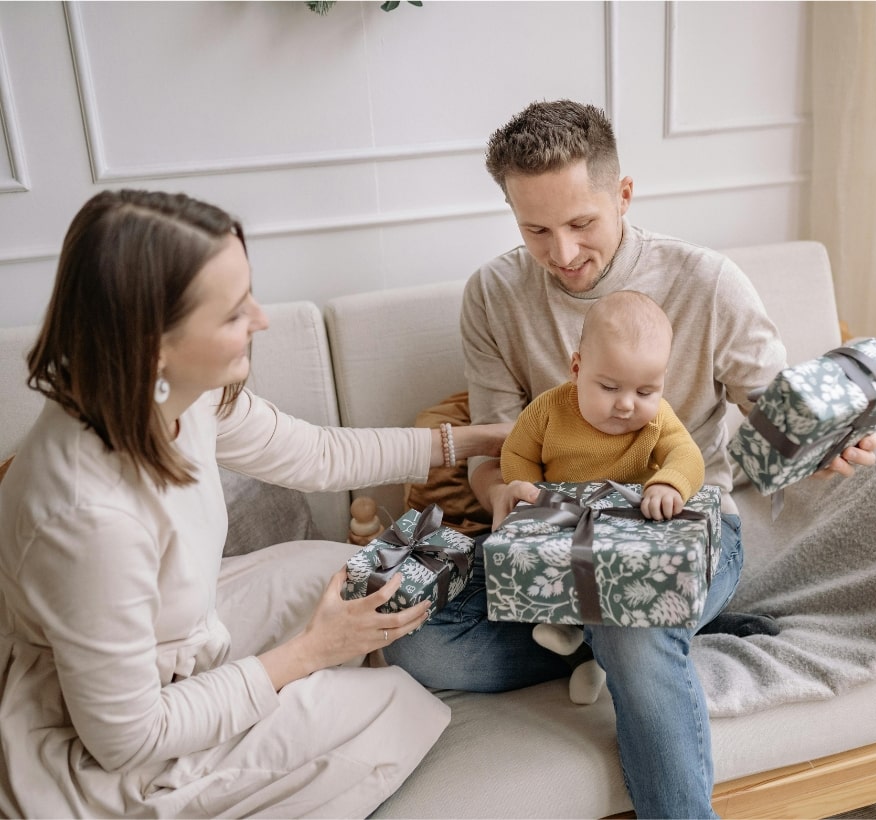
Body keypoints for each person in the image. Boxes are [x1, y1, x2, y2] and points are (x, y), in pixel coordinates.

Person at [384, 99, 876, 818]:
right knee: (417, 644)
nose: (561, 254)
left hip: (684, 530)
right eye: (535, 230)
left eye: (581, 223)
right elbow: (496, 446)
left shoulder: (706, 282)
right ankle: (649, 637)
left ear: (622, 195)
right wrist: (500, 494)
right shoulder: (494, 294)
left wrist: (822, 442)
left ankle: (635, 643)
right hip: (552, 542)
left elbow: (775, 413)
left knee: (627, 611)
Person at [0, 189, 510, 818]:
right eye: (234, 311)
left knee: (345, 571)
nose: (261, 319)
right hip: (102, 743)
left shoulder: (178, 396)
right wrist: (308, 655)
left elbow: (318, 454)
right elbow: (126, 739)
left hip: (179, 638)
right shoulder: (88, 516)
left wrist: (478, 440)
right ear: (154, 343)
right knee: (394, 703)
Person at [500, 289, 705, 705]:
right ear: (577, 368)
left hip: (630, 532)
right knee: (543, 573)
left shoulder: (658, 419)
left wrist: (668, 483)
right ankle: (576, 647)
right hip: (564, 523)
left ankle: (586, 649)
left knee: (626, 589)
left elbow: (687, 453)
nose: (627, 405)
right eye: (609, 387)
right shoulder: (549, 410)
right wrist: (524, 488)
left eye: (646, 391)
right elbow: (517, 451)